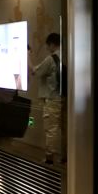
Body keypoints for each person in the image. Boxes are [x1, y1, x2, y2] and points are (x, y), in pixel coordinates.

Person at [32, 33, 65, 165]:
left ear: (52, 44)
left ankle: (49, 158)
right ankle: (65, 157)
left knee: (51, 129)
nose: (46, 48)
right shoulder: (67, 56)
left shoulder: (51, 59)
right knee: (64, 128)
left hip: (52, 99)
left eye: (47, 45)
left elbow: (36, 72)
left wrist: (27, 57)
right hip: (65, 98)